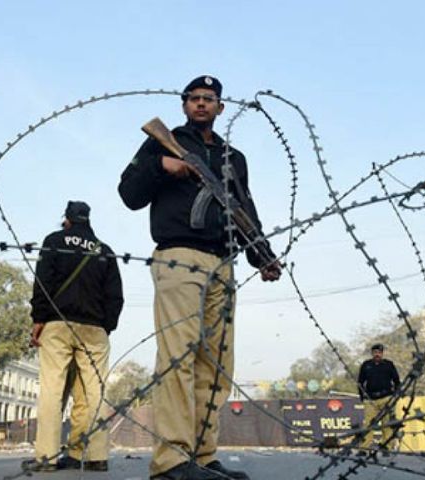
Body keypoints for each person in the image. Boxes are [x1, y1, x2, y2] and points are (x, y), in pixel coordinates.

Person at [119, 75, 281, 480]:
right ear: (184, 105)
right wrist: (162, 166)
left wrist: (261, 255)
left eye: (209, 98)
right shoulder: (164, 142)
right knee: (179, 358)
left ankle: (203, 456)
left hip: (223, 262)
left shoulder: (232, 157)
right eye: (195, 98)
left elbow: (244, 208)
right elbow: (129, 193)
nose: (202, 103)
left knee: (215, 365)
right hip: (180, 257)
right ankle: (173, 460)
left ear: (220, 107)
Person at [23, 201, 124, 472]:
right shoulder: (105, 251)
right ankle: (94, 455)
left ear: (67, 220)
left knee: (52, 390)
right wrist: (106, 326)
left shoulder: (55, 241)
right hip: (94, 329)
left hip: (58, 323)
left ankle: (47, 456)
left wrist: (39, 318)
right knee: (93, 394)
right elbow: (115, 297)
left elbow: (42, 283)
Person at [356, 344, 401, 455]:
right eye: (375, 352)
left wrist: (395, 396)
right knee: (368, 425)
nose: (377, 354)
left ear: (382, 353)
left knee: (387, 424)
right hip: (371, 399)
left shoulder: (388, 365)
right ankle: (364, 448)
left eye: (379, 352)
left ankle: (386, 447)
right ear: (372, 353)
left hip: (386, 398)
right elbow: (360, 382)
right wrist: (362, 396)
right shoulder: (366, 365)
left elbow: (397, 381)